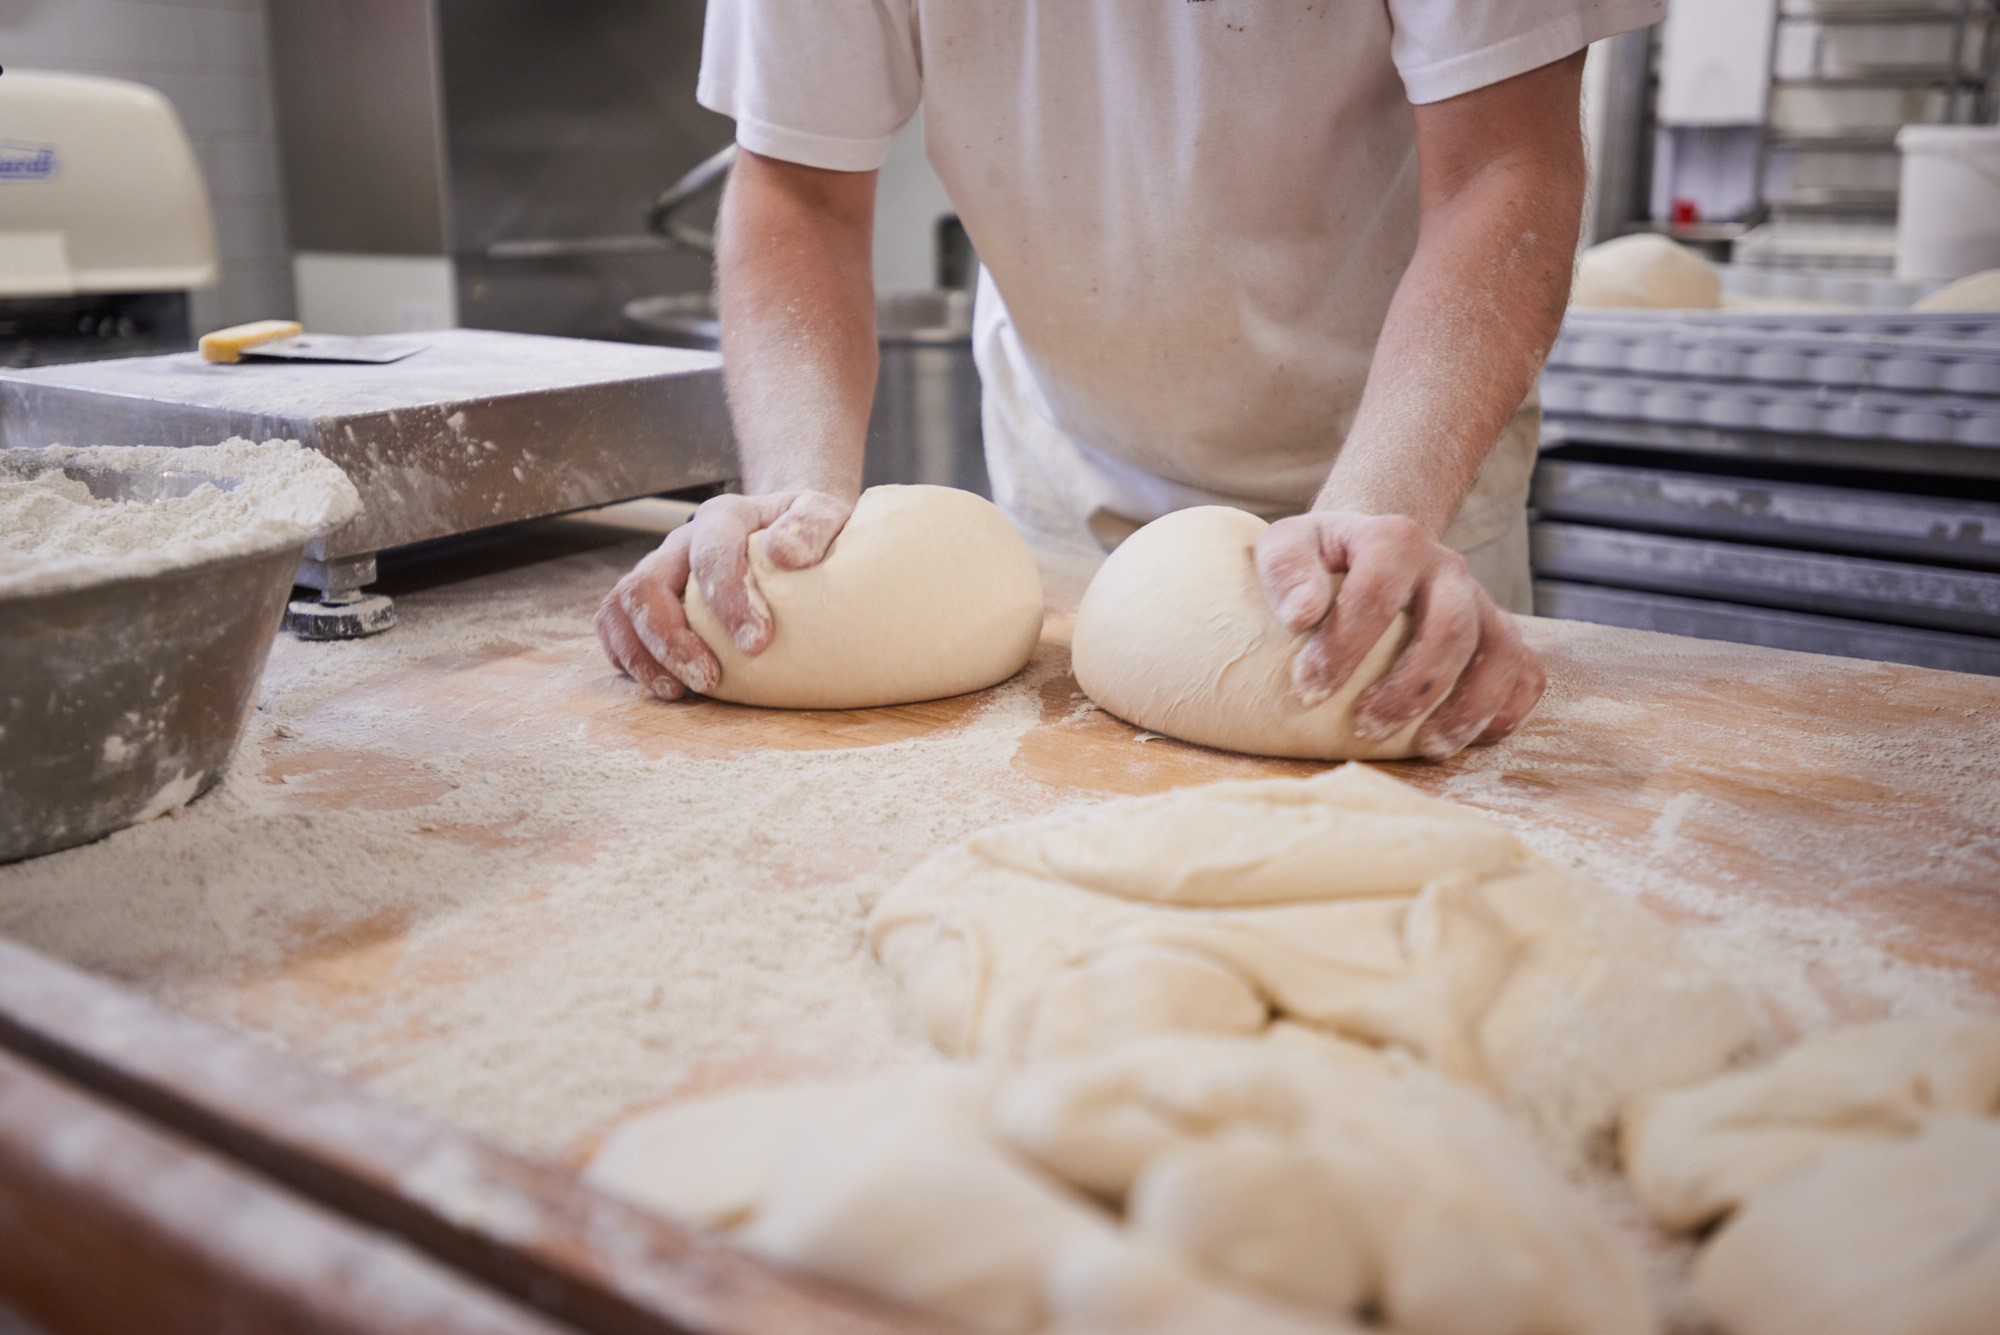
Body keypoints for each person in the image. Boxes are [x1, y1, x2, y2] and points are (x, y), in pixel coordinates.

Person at [598, 0, 1663, 759]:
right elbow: (798, 186)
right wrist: (792, 505)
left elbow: (1499, 164)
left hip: (1400, 479)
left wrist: (1382, 508)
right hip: (1067, 465)